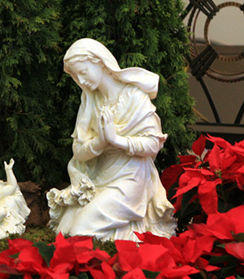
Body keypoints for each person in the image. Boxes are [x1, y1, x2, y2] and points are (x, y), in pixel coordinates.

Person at [47, 38, 177, 241]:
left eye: (84, 72)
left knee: (81, 232)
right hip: (98, 178)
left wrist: (116, 140)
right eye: (76, 76)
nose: (81, 81)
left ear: (100, 62)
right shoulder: (91, 102)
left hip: (129, 178)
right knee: (63, 233)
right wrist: (100, 141)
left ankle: (124, 240)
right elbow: (79, 152)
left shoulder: (135, 97)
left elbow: (153, 145)